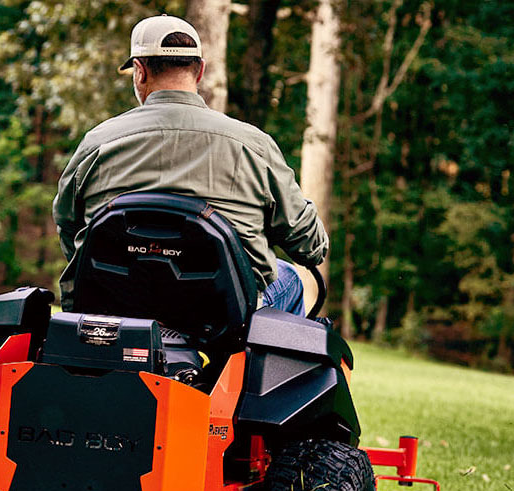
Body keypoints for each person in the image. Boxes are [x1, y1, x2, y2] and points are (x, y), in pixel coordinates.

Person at [52, 14, 328, 315]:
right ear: (200, 73)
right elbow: (311, 246)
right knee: (288, 278)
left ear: (140, 72)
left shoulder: (97, 143)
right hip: (220, 318)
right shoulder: (254, 146)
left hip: (116, 306)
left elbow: (69, 228)